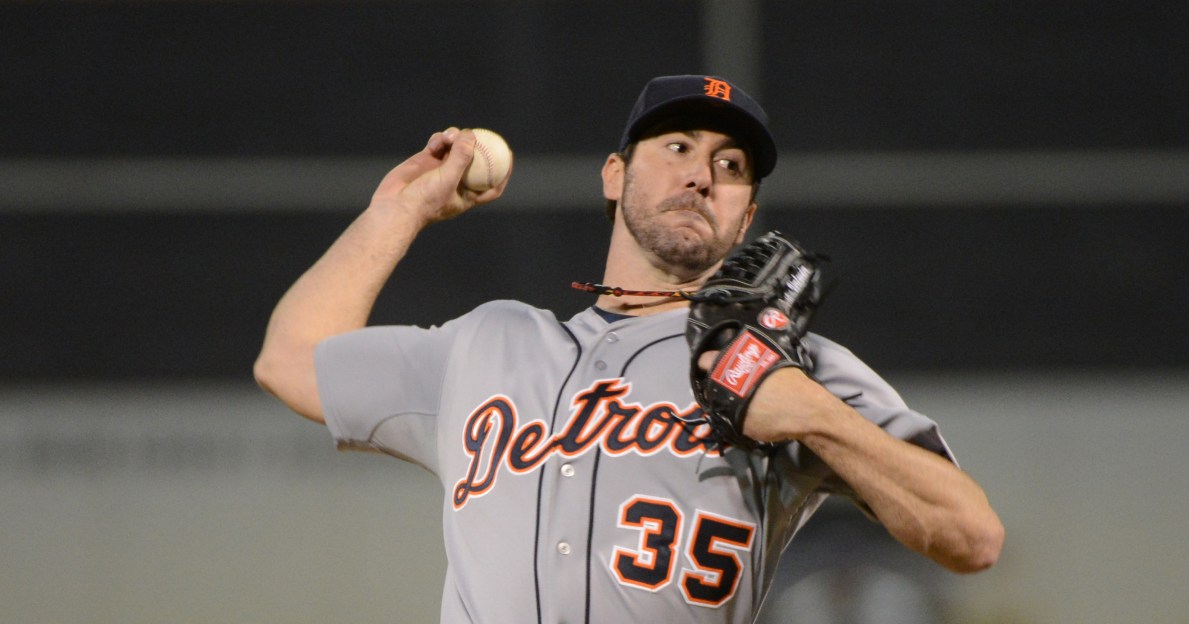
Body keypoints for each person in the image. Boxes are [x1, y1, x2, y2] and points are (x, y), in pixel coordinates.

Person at [254, 75, 1004, 623]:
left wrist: (812, 414)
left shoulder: (781, 362)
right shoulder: (491, 344)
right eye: (678, 146)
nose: (702, 176)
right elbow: (288, 360)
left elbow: (971, 536)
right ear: (615, 176)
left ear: (746, 218)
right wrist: (400, 210)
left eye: (731, 167)